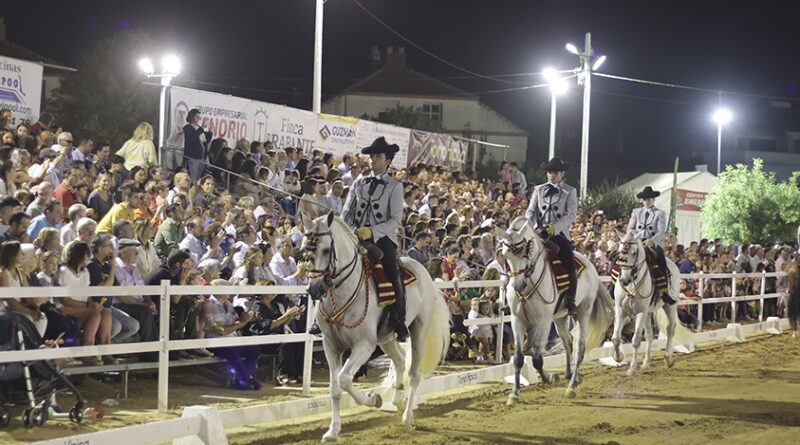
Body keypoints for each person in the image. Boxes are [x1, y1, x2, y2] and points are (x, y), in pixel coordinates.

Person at [341, 137, 408, 340]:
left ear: (387, 161)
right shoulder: (358, 184)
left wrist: (372, 231)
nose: (373, 159)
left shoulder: (394, 186)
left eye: (377, 156)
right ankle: (325, 317)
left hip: (382, 240)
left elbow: (396, 219)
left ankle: (398, 319)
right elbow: (347, 212)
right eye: (371, 156)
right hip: (356, 237)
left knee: (391, 269)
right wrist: (343, 229)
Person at [525, 156, 578, 317]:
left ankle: (571, 299)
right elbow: (530, 211)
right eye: (549, 172)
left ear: (562, 174)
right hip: (538, 232)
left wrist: (553, 228)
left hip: (558, 234)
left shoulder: (570, 191)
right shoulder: (539, 190)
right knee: (521, 256)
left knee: (569, 261)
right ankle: (517, 293)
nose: (551, 175)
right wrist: (535, 226)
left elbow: (570, 215)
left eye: (555, 172)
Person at [628, 186, 671, 302]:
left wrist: (652, 240)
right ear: (643, 200)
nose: (647, 201)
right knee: (622, 257)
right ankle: (616, 284)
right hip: (637, 242)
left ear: (653, 200)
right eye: (645, 199)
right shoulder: (636, 212)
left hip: (652, 243)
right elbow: (630, 228)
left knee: (661, 259)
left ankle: (664, 290)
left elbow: (661, 231)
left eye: (649, 199)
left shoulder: (660, 213)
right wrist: (633, 238)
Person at [183, 109, 213, 181]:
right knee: (193, 177)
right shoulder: (188, 128)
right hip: (193, 156)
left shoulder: (199, 128)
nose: (198, 119)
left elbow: (206, 141)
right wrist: (201, 128)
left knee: (199, 177)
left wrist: (210, 130)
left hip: (202, 156)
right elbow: (193, 139)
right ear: (191, 117)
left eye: (199, 117)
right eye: (197, 116)